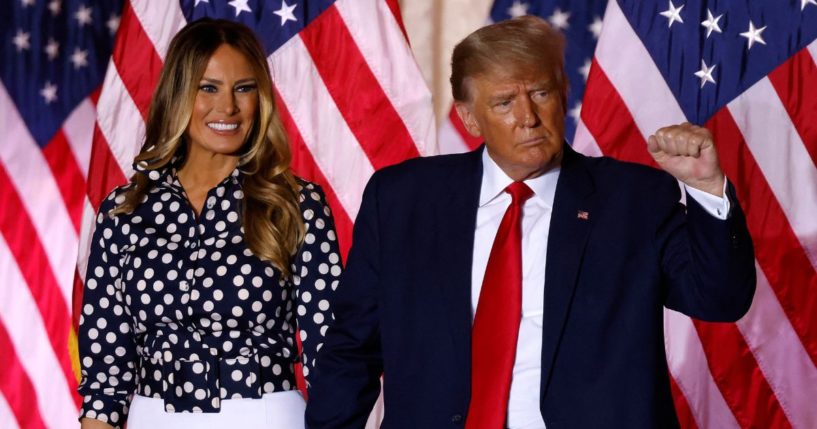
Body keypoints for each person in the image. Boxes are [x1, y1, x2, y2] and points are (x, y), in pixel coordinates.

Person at [304, 15, 755, 429]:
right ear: (469, 117)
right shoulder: (403, 200)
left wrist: (705, 187)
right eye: (504, 102)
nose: (528, 118)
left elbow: (719, 300)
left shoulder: (633, 199)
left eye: (539, 93)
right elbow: (353, 348)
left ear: (562, 94)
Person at [77, 18, 342, 429]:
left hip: (265, 414)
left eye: (244, 88)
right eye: (208, 87)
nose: (229, 107)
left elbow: (330, 351)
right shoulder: (123, 212)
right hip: (152, 416)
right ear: (179, 94)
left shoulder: (296, 203)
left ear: (262, 97)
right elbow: (105, 375)